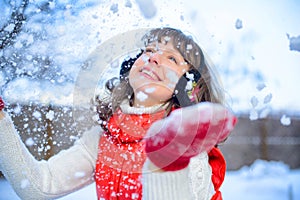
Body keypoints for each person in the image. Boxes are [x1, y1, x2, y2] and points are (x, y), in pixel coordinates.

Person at [0, 27, 237, 200]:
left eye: (172, 58)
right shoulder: (103, 139)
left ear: (187, 86)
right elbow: (38, 185)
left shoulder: (187, 141)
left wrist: (169, 151)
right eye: (150, 50)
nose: (153, 57)